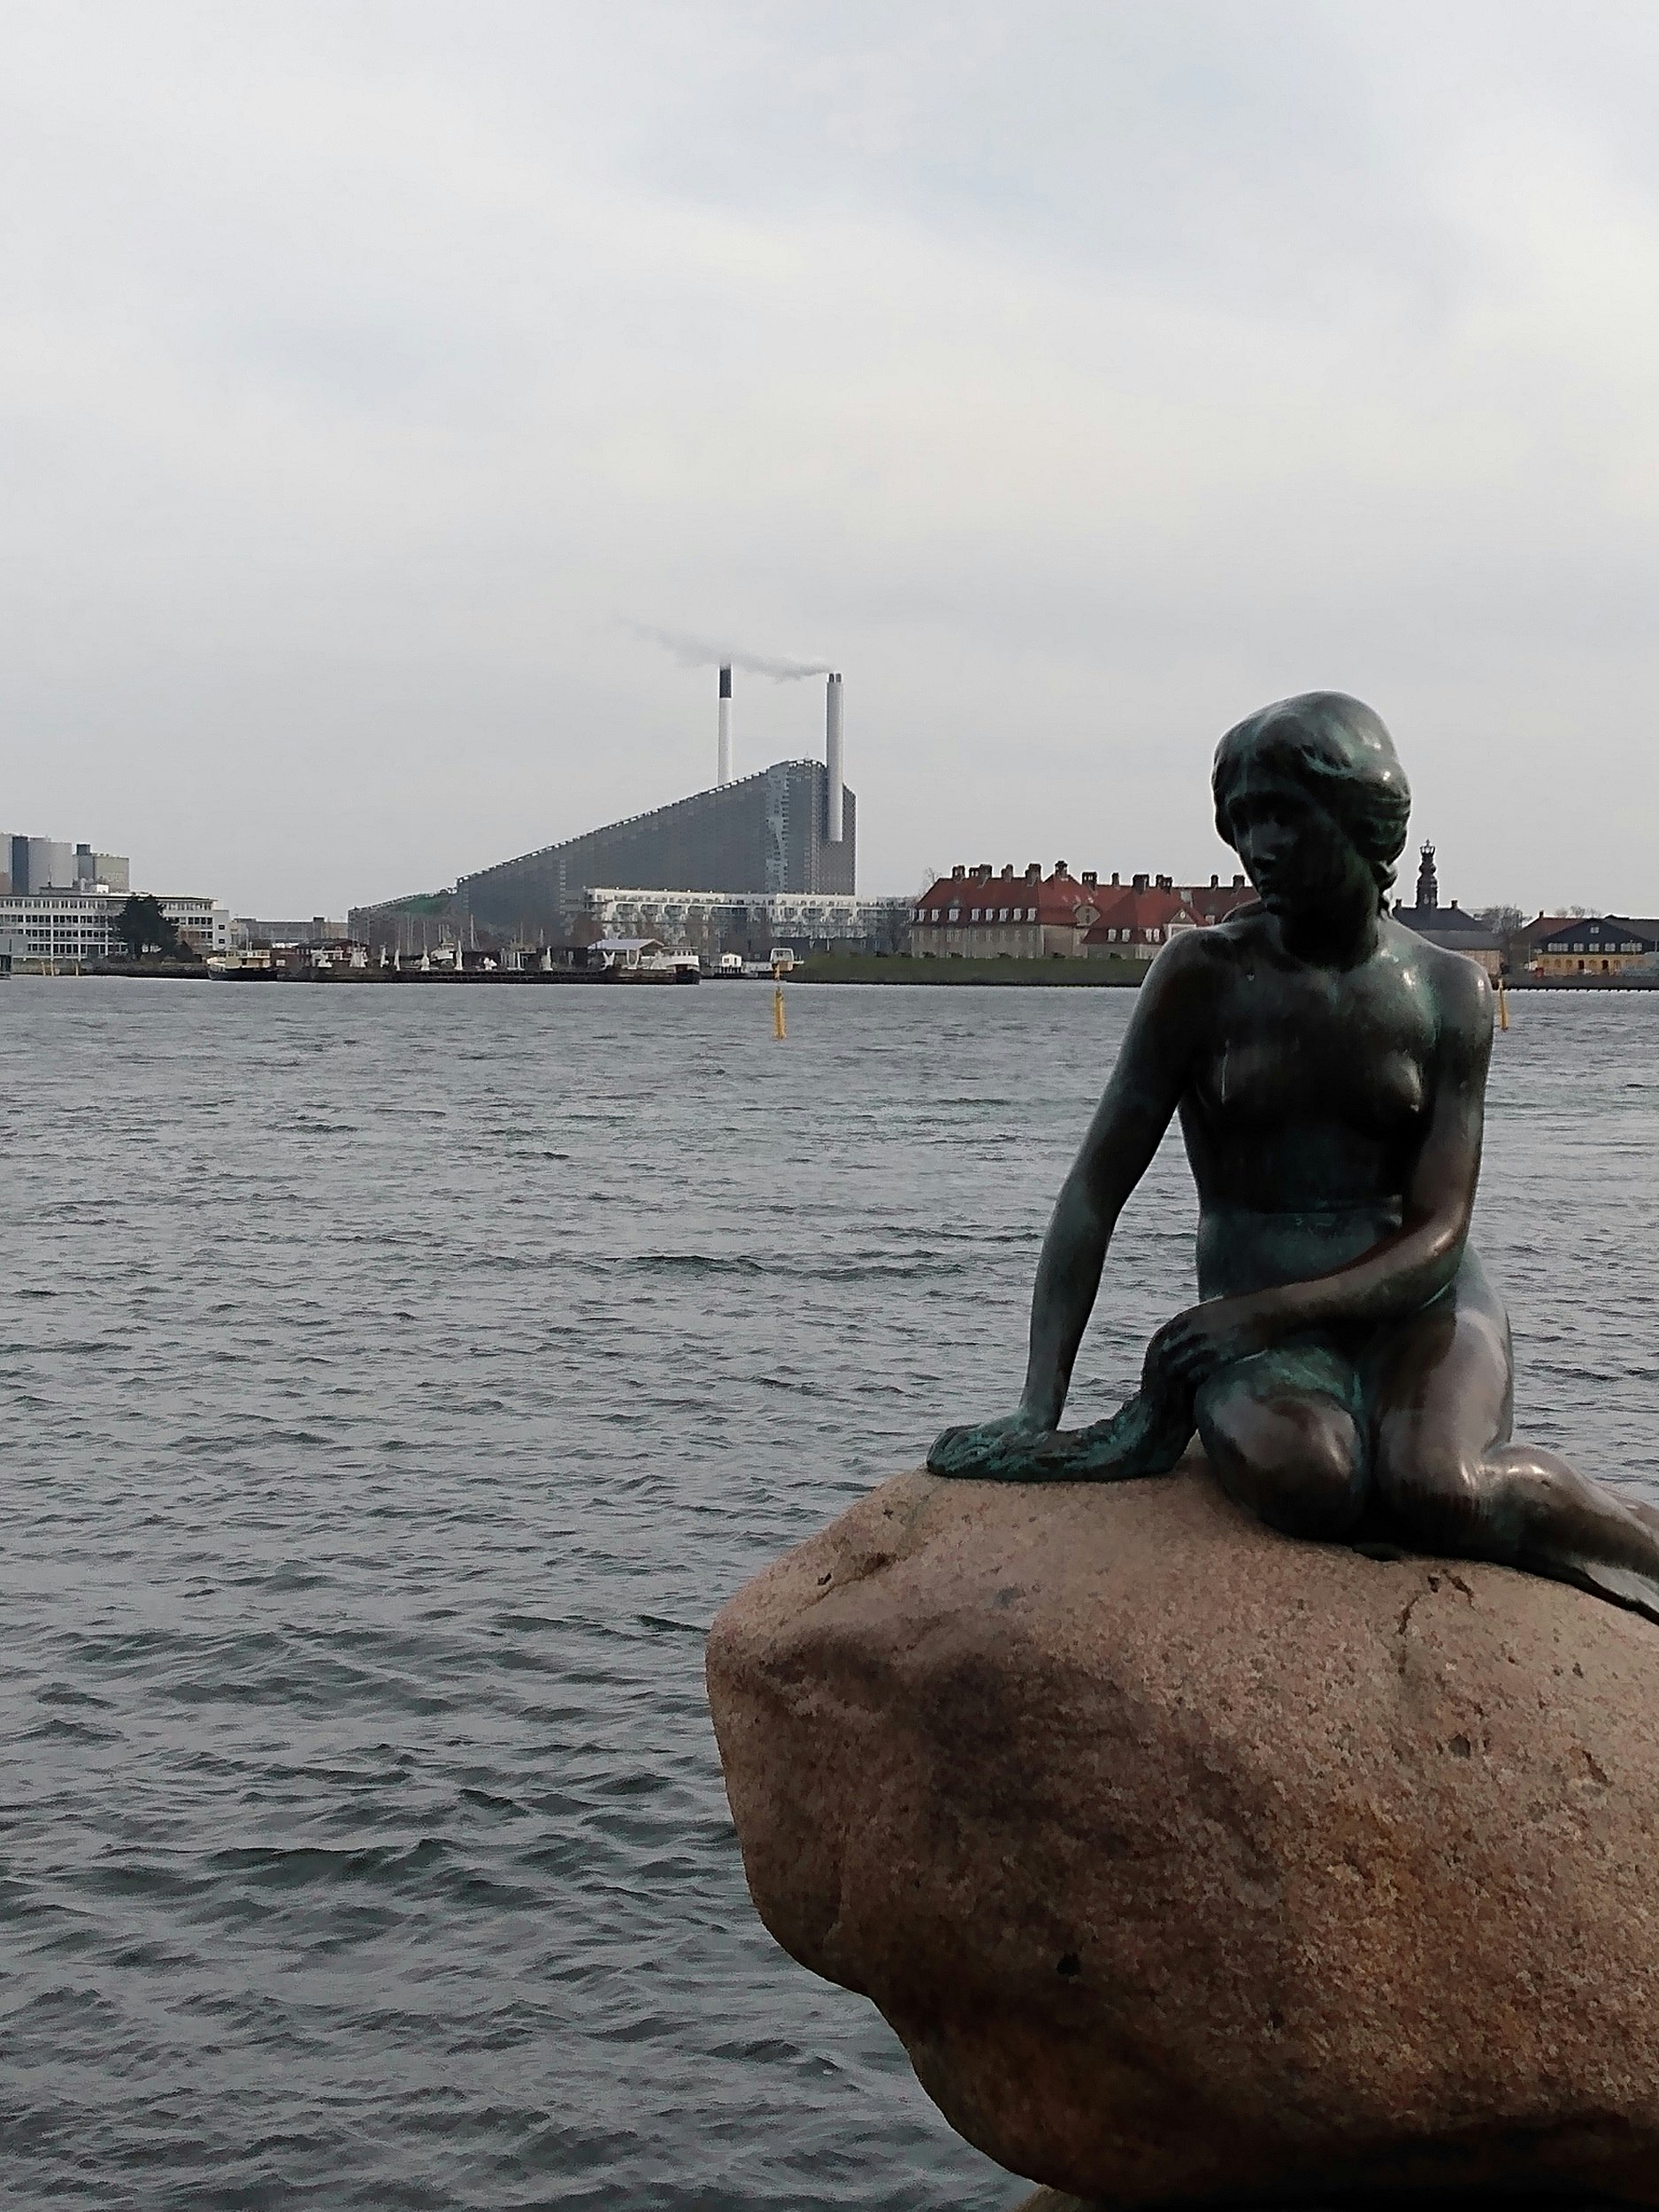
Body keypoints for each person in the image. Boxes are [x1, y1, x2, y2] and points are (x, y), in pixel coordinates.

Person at [929, 692, 1659, 1622]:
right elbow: (1092, 1195)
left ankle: (1642, 1546)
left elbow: (1440, 1230)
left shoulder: (1449, 992)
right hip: (1258, 1321)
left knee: (1442, 1485)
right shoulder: (1200, 978)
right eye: (1240, 822)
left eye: (1282, 816)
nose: (1256, 847)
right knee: (1313, 1480)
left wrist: (1252, 1316)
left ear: (1364, 819)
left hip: (1422, 1304)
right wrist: (1039, 1405)